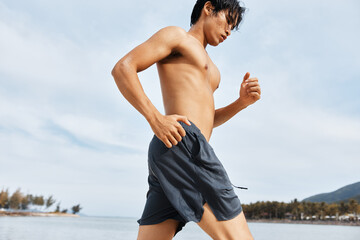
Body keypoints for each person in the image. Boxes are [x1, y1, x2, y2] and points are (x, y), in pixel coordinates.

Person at [112, 0, 261, 239]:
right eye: (228, 21)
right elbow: (123, 68)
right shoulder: (177, 36)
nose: (229, 31)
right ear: (209, 8)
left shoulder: (213, 70)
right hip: (184, 145)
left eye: (233, 27)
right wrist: (156, 119)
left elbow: (205, 120)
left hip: (177, 151)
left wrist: (240, 103)